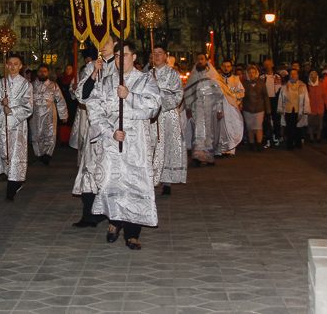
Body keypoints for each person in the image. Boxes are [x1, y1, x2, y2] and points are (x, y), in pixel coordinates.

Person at [88, 40, 161, 250]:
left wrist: (129, 96)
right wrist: (109, 131)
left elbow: (154, 106)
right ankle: (114, 221)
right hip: (112, 140)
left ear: (134, 57)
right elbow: (94, 108)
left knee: (134, 184)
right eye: (118, 56)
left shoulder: (145, 80)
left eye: (125, 55)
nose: (120, 60)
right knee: (112, 182)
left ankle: (132, 233)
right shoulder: (106, 82)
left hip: (135, 141)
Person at [71, 36, 117, 227]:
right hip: (95, 127)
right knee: (90, 167)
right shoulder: (91, 67)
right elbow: (81, 96)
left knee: (112, 169)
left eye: (107, 43)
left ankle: (113, 214)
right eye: (100, 43)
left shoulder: (121, 66)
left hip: (114, 128)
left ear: (115, 44)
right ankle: (88, 214)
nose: (103, 47)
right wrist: (94, 73)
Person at [0, 54, 33, 201]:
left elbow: (28, 106)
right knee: (5, 153)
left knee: (16, 154)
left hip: (17, 125)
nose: (12, 66)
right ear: (6, 65)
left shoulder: (26, 85)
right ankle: (14, 180)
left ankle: (12, 187)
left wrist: (12, 109)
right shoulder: (0, 84)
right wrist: (1, 104)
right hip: (1, 124)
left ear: (20, 66)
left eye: (15, 64)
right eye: (10, 63)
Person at [145, 45, 186, 196]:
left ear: (165, 56)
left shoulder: (173, 74)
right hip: (152, 117)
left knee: (168, 145)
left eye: (159, 53)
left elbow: (178, 94)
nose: (156, 56)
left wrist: (161, 98)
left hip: (168, 114)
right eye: (154, 53)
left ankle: (167, 181)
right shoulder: (147, 75)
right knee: (153, 145)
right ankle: (151, 179)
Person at [181, 54, 229, 167]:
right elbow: (187, 95)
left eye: (202, 59)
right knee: (197, 134)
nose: (199, 61)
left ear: (206, 61)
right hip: (196, 110)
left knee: (210, 134)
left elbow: (219, 95)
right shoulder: (193, 77)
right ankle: (197, 158)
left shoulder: (213, 76)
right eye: (198, 59)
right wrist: (188, 108)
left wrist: (219, 110)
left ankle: (210, 158)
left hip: (210, 110)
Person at [29, 64, 68, 165]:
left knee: (50, 134)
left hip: (49, 114)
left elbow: (60, 100)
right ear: (37, 73)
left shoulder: (53, 85)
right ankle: (39, 154)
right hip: (35, 115)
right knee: (36, 134)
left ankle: (47, 155)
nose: (42, 73)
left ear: (48, 73)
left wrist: (63, 115)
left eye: (44, 71)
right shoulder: (31, 86)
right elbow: (27, 100)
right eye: (40, 71)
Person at [278, 68, 311, 150]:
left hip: (299, 109)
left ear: (297, 75)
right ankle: (290, 144)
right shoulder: (285, 86)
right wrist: (280, 109)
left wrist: (306, 109)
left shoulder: (302, 86)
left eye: (294, 74)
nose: (293, 75)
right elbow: (281, 98)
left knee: (298, 127)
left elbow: (306, 98)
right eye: (291, 74)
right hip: (288, 109)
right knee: (289, 127)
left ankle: (298, 143)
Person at [241, 65, 271, 152]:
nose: (251, 74)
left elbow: (265, 96)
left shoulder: (261, 82)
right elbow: (241, 96)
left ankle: (259, 143)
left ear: (256, 73)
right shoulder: (244, 83)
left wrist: (268, 107)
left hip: (259, 107)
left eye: (253, 72)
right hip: (248, 107)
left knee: (258, 126)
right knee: (250, 126)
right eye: (249, 72)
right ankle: (251, 144)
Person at [259, 59, 282, 148]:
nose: (267, 66)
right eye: (265, 65)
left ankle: (275, 135)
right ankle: (266, 138)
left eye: (269, 64)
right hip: (265, 100)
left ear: (272, 65)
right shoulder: (261, 77)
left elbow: (281, 89)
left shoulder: (278, 76)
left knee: (276, 120)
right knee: (265, 120)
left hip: (275, 100)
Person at [306, 70, 327, 143]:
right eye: (312, 77)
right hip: (310, 107)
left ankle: (318, 136)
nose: (313, 79)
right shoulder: (307, 86)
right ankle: (311, 136)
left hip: (320, 107)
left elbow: (324, 96)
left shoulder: (320, 85)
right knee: (310, 122)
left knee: (319, 122)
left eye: (315, 77)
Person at [58, 64, 77, 146]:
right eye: (67, 69)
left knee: (70, 121)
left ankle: (69, 139)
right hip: (63, 102)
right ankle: (63, 140)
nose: (68, 71)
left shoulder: (75, 80)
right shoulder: (60, 80)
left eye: (70, 69)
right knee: (63, 121)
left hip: (72, 103)